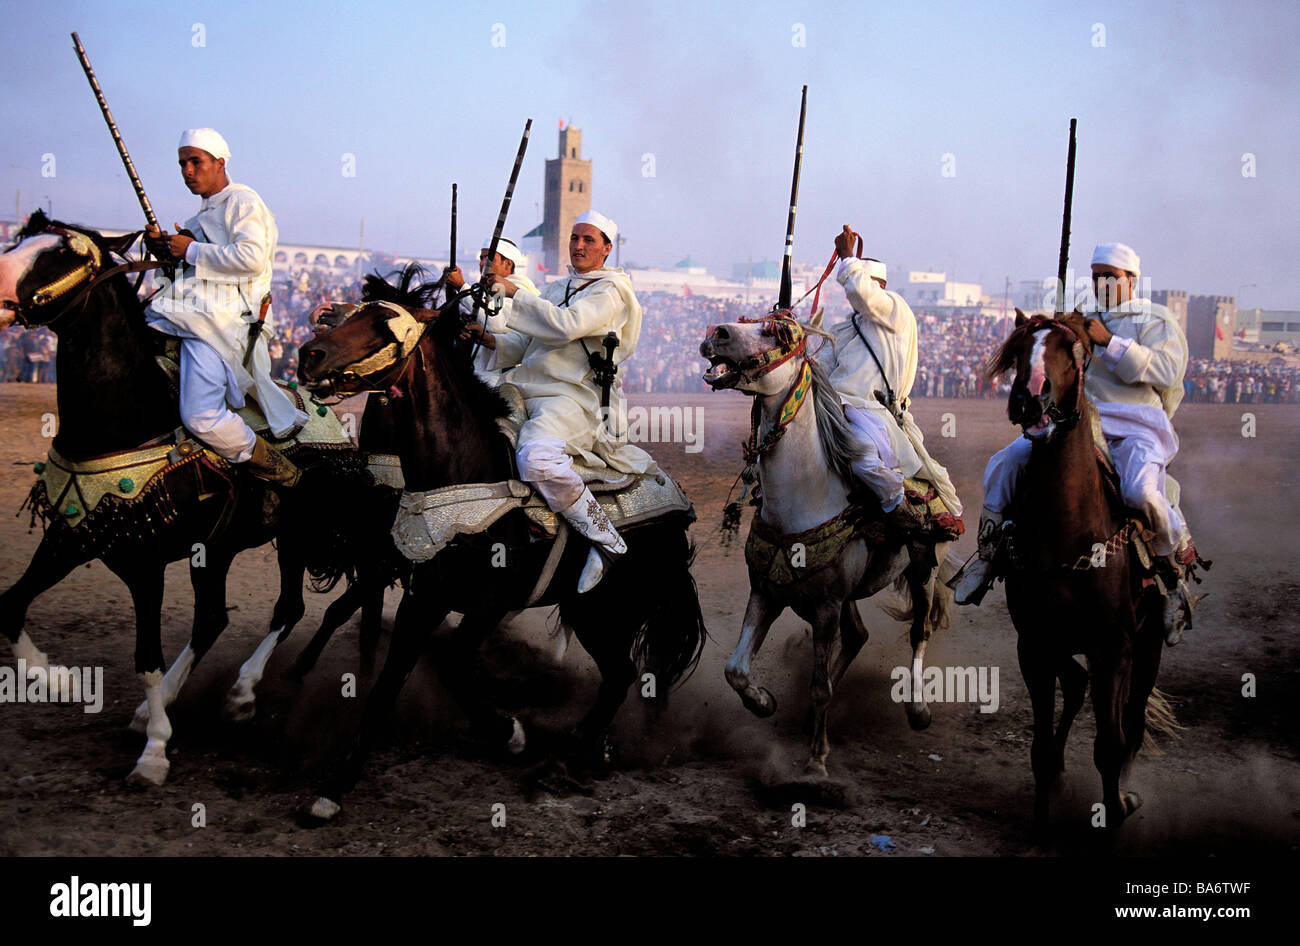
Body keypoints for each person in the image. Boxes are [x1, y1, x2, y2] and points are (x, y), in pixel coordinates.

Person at [953, 242, 1200, 643]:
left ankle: (1171, 576)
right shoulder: (1080, 322)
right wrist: (1046, 332)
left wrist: (1109, 342)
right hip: (1086, 423)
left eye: (1111, 276)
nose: (1102, 282)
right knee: (1005, 462)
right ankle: (986, 555)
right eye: (1097, 275)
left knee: (1141, 491)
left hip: (1139, 425)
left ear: (1132, 280)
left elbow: (1168, 371)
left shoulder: (1155, 319)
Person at [472, 210, 653, 592]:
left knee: (535, 459)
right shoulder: (557, 287)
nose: (580, 245)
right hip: (523, 383)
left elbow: (565, 326)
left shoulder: (611, 292)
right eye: (575, 238)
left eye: (589, 240)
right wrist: (488, 339)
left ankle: (606, 540)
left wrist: (515, 292)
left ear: (607, 248)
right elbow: (525, 343)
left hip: (571, 397)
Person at [144, 128, 308, 486]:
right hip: (192, 313)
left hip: (223, 321)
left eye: (195, 162)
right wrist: (167, 250)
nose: (187, 170)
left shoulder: (243, 201)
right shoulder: (200, 216)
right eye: (182, 163)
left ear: (220, 163)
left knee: (201, 416)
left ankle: (280, 470)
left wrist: (188, 250)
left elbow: (250, 258)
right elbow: (197, 269)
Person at [819, 225, 962, 535]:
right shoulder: (845, 328)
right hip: (833, 408)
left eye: (858, 282)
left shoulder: (896, 310)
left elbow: (862, 294)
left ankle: (896, 507)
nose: (851, 293)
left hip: (870, 412)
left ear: (878, 285)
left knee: (861, 459)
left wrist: (846, 258)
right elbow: (820, 367)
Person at [445, 236, 539, 385]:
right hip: (479, 371)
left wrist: (461, 286)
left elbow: (495, 319)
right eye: (481, 258)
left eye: (489, 259)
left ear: (508, 264)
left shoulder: (515, 289)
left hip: (502, 377)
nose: (482, 263)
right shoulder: (491, 289)